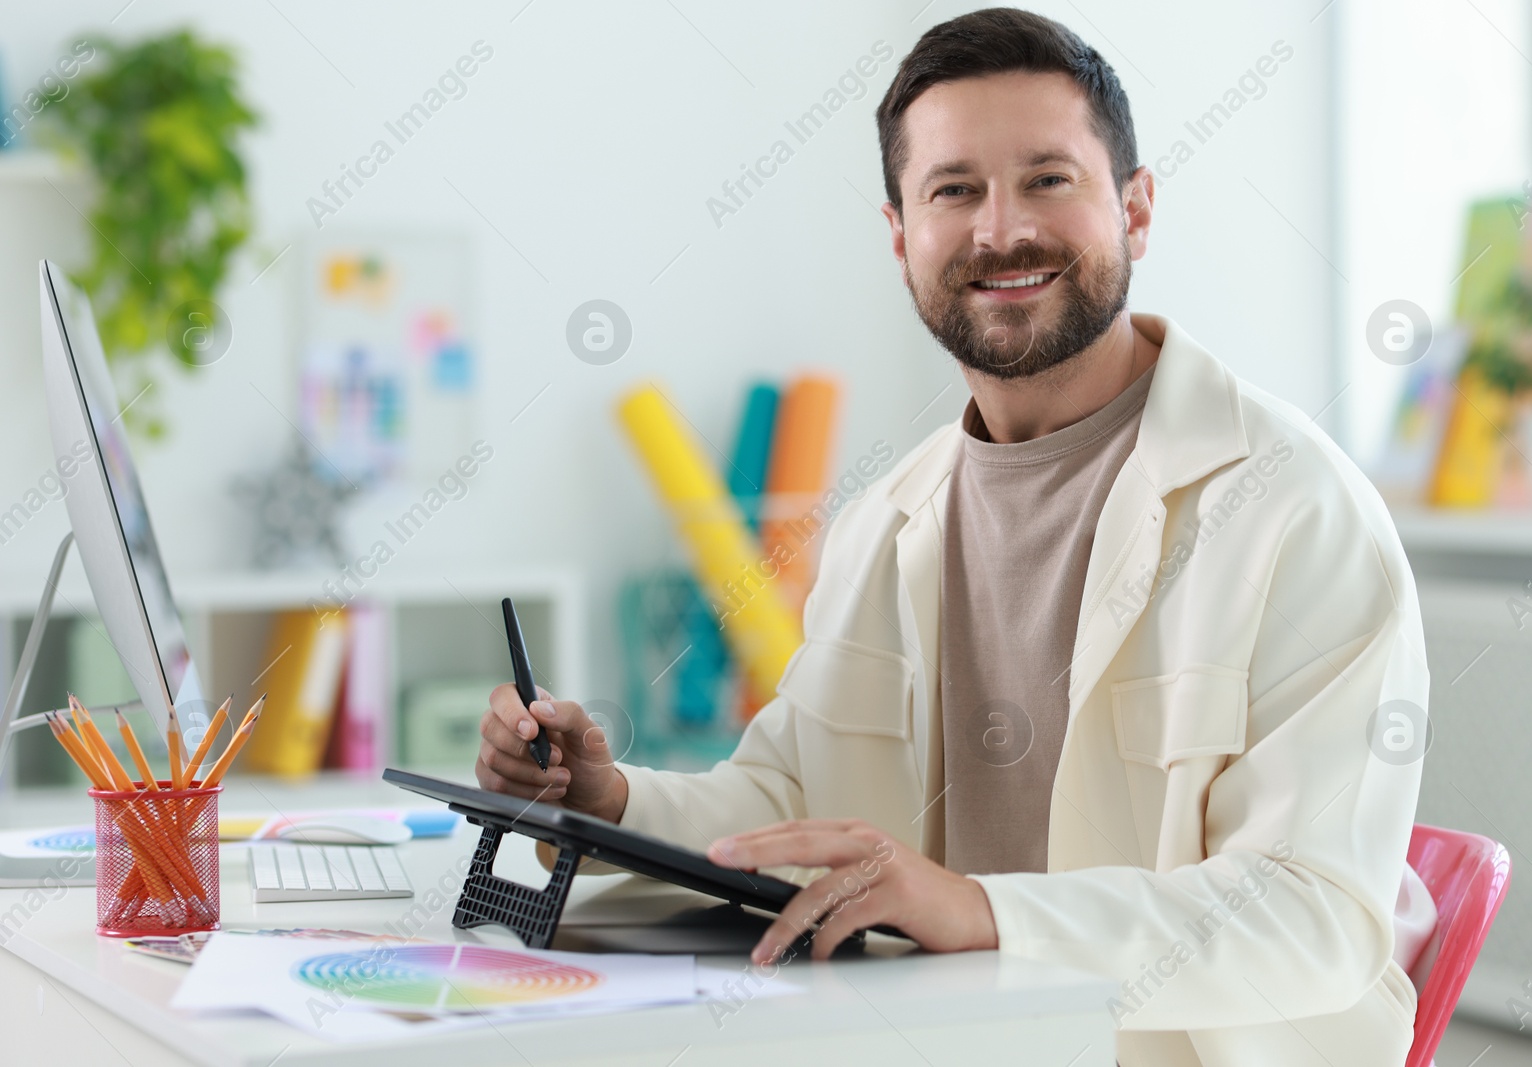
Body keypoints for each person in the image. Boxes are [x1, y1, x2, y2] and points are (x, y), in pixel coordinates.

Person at [478, 9, 1438, 1065]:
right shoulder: (882, 524)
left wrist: (983, 911)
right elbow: (791, 797)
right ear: (899, 238)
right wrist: (605, 799)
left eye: (1047, 179)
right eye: (953, 190)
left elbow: (1313, 916)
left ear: (1135, 206)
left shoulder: (1293, 507)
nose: (999, 231)